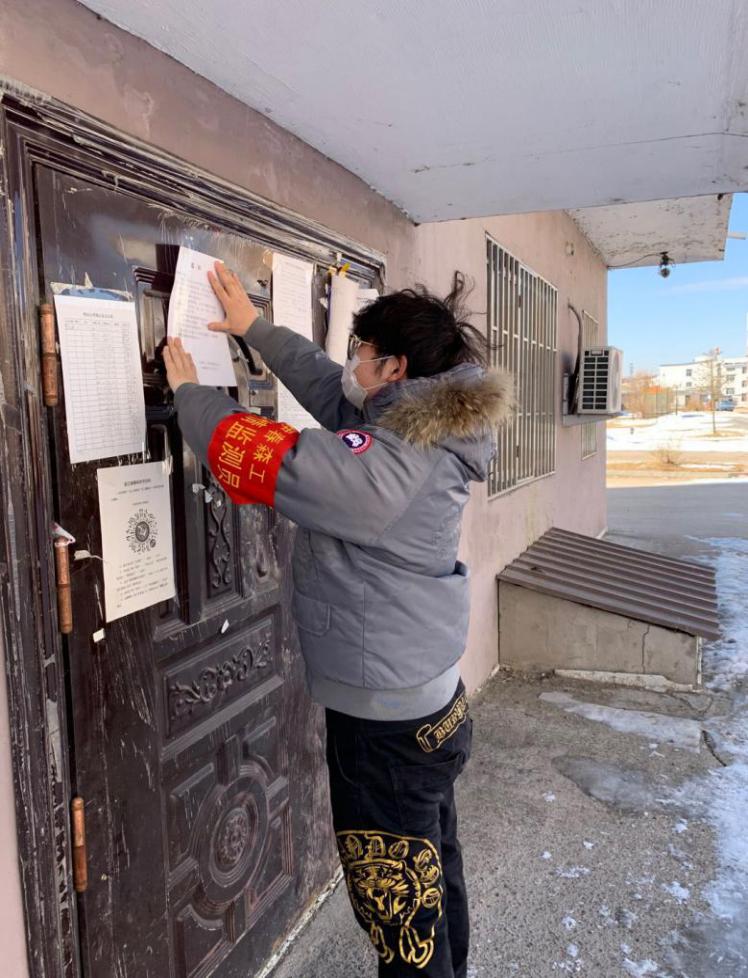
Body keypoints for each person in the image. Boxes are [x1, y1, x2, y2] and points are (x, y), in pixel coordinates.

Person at [164, 262, 512, 977]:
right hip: (427, 701)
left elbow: (273, 460)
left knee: (401, 919)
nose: (353, 363)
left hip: (385, 728)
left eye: (363, 353)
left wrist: (188, 395)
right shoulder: (421, 427)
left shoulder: (387, 466)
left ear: (395, 368)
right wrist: (257, 330)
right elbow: (331, 390)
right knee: (431, 875)